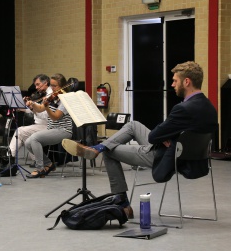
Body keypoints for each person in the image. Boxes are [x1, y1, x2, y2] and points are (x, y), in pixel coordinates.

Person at [64, 61, 217, 218]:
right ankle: (97, 148)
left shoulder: (183, 109)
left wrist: (166, 136)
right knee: (133, 125)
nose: (172, 84)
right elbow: (182, 133)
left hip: (167, 156)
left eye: (175, 81)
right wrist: (169, 136)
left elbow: (152, 136)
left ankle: (122, 202)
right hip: (191, 157)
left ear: (186, 81)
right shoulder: (209, 107)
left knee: (110, 151)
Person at [24, 74, 74, 178]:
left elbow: (55, 117)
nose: (52, 88)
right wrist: (32, 105)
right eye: (51, 85)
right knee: (28, 142)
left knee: (35, 139)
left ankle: (40, 168)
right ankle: (49, 164)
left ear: (61, 86)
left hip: (64, 130)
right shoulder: (52, 97)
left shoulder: (65, 99)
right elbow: (40, 108)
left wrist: (47, 107)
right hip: (52, 129)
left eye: (54, 86)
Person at [10, 74, 51, 168]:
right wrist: (22, 108)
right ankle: (37, 160)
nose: (36, 87)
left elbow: (45, 116)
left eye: (38, 84)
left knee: (20, 131)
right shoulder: (43, 94)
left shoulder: (50, 95)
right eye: (35, 85)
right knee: (25, 136)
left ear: (45, 83)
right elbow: (37, 110)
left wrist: (33, 108)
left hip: (47, 126)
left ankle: (8, 157)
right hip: (40, 125)